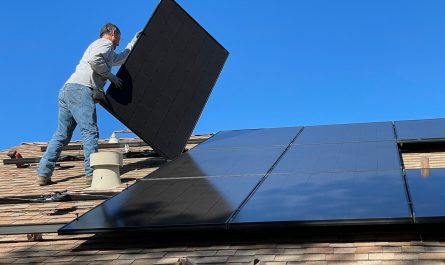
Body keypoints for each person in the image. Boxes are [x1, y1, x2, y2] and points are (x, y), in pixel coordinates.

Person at [36, 23, 141, 186]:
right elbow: (94, 60)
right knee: (90, 131)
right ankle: (91, 174)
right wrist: (110, 76)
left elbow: (121, 58)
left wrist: (134, 41)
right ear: (113, 33)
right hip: (81, 90)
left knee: (61, 135)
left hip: (68, 89)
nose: (119, 41)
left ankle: (43, 173)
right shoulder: (105, 44)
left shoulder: (102, 48)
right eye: (119, 37)